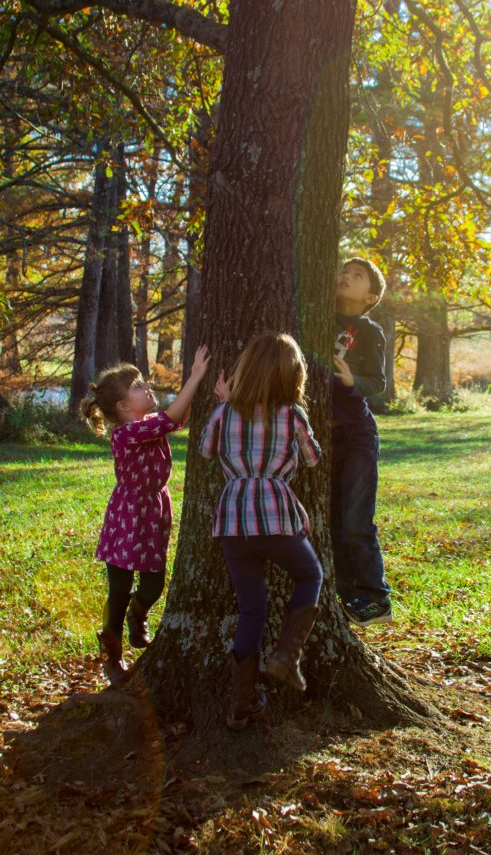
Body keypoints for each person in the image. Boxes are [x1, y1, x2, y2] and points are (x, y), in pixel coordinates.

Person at [199, 332, 323, 731]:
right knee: (310, 574)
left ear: (244, 372)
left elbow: (204, 449)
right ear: (292, 377)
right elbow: (313, 459)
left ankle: (241, 703)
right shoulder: (292, 415)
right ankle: (287, 655)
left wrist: (224, 404)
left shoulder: (224, 412)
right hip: (274, 514)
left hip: (234, 519)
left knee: (252, 608)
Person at [80, 346, 211, 684]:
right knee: (119, 588)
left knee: (154, 582)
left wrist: (205, 390)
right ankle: (111, 651)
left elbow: (179, 417)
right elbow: (171, 418)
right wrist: (195, 376)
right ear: (124, 407)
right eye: (138, 387)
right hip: (127, 516)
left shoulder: (149, 423)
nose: (147, 387)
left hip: (152, 511)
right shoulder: (125, 434)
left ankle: (138, 616)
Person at [332, 257, 392, 626]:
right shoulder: (319, 317)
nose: (346, 277)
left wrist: (354, 381)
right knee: (330, 521)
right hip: (321, 437)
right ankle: (346, 596)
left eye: (357, 277)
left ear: (370, 297)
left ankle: (376, 598)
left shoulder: (370, 331)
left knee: (355, 521)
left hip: (356, 437)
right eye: (344, 271)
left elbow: (379, 383)